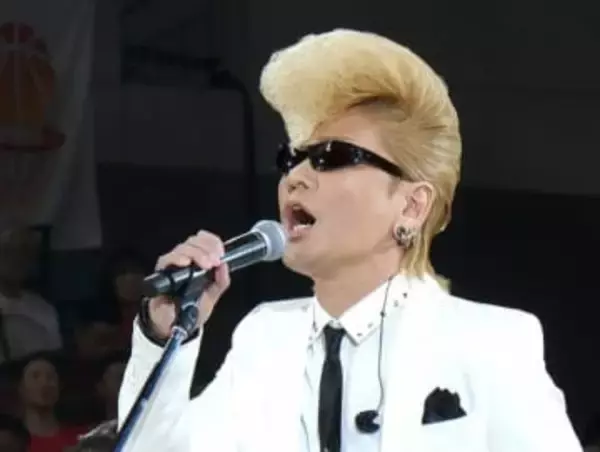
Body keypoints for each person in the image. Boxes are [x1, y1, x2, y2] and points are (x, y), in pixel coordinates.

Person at [118, 29, 582, 451]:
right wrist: (163, 335)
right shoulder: (266, 337)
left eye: (332, 156)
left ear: (412, 206)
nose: (295, 177)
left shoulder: (490, 343)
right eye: (291, 159)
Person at [0, 226, 62, 363]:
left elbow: (55, 361)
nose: (16, 258)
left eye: (24, 252)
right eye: (7, 251)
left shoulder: (45, 310)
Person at [17, 352, 87, 452]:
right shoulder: (12, 444)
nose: (44, 383)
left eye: (50, 377)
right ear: (21, 388)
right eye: (35, 377)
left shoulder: (82, 437)